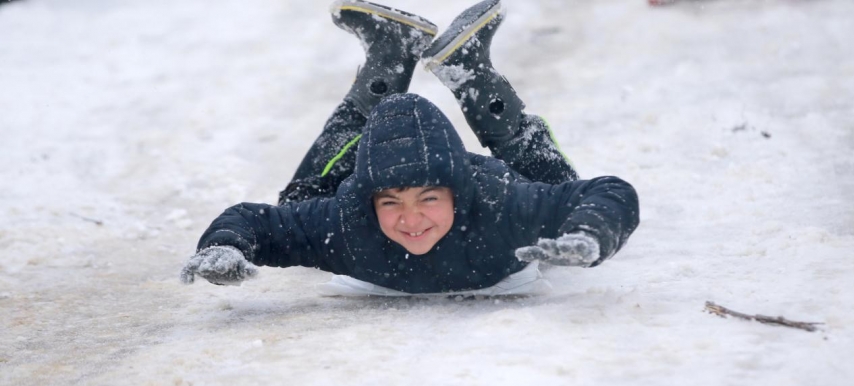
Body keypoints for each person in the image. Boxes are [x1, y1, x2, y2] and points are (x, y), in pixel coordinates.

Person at [180, 0, 640, 295]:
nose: (412, 218)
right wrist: (225, 246)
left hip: (498, 189)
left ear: (458, 193)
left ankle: (425, 63)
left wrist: (589, 234)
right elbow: (252, 221)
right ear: (368, 200)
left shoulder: (502, 206)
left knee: (555, 186)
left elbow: (608, 192)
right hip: (365, 193)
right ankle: (430, 62)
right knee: (302, 204)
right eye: (391, 202)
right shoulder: (344, 224)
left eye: (429, 198)